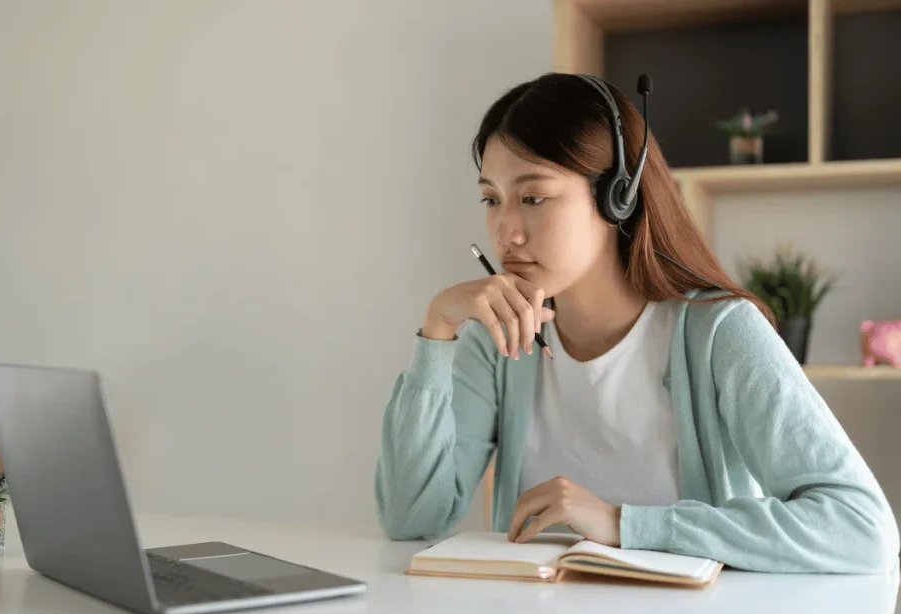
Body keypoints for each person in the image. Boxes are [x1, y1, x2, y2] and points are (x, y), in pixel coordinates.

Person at [374, 72, 899, 573]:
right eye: (491, 199)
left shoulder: (718, 332)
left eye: (533, 197)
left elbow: (861, 527)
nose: (505, 231)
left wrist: (621, 523)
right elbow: (411, 519)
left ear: (616, 198)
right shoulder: (500, 341)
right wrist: (437, 330)